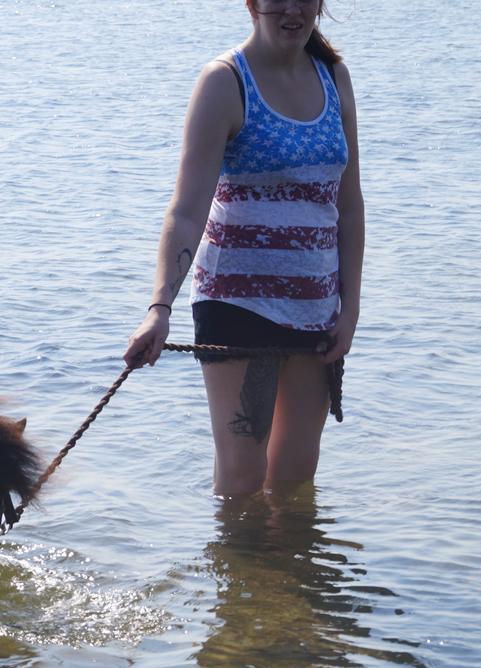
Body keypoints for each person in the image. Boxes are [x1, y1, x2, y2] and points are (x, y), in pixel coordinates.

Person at [123, 0, 363, 496]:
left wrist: (351, 307)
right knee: (242, 478)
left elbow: (350, 203)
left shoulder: (335, 78)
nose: (292, 9)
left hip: (316, 310)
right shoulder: (225, 81)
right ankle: (234, 550)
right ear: (253, 4)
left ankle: (284, 555)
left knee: (296, 477)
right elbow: (186, 210)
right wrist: (159, 308)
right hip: (236, 304)